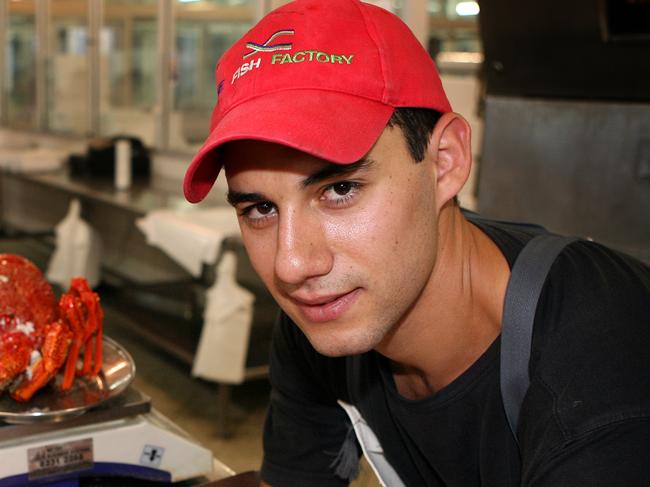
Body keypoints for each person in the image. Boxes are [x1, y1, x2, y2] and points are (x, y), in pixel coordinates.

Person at [183, 0, 650, 485]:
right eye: (261, 209)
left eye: (340, 189)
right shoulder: (325, 317)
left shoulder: (602, 373)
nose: (293, 263)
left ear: (444, 162)